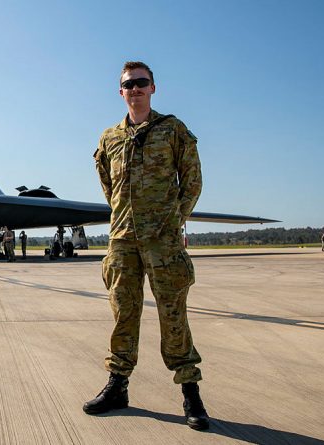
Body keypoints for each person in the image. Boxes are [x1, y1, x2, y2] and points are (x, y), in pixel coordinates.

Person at [87, 61, 209, 430]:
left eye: (142, 83)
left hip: (163, 240)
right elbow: (108, 186)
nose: (135, 89)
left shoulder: (172, 130)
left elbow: (192, 182)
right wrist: (126, 218)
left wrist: (171, 221)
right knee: (123, 313)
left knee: (173, 314)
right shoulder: (109, 137)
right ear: (120, 91)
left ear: (153, 88)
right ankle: (118, 385)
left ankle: (190, 392)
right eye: (129, 84)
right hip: (123, 240)